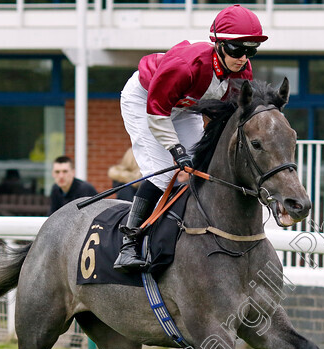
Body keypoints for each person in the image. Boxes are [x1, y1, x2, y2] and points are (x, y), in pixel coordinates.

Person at [113, 4, 267, 273]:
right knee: (164, 173)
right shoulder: (187, 65)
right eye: (237, 49)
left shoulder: (242, 72)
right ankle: (129, 242)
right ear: (217, 43)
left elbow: (226, 119)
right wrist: (176, 150)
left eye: (250, 50)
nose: (243, 58)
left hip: (186, 106)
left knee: (202, 167)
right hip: (146, 100)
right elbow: (157, 111)